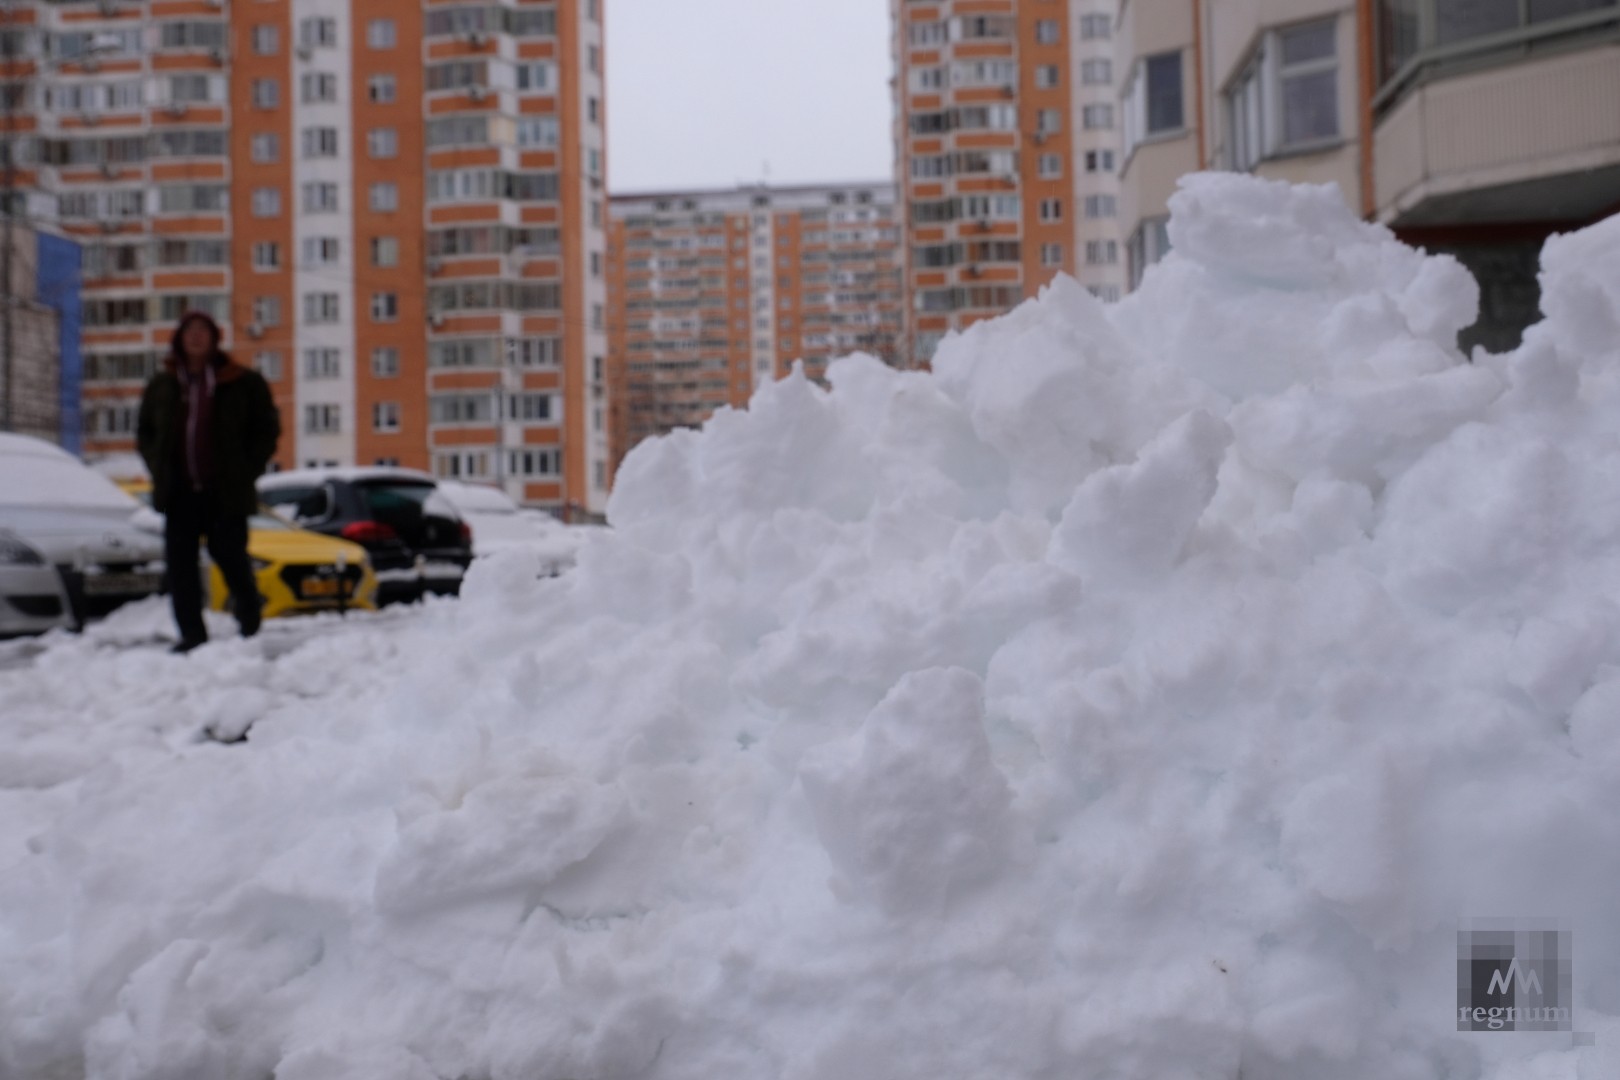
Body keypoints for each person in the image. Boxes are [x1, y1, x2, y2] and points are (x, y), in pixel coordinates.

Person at [136, 312, 281, 653]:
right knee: (181, 567)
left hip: (225, 492)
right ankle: (191, 634)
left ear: (215, 339)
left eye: (204, 331)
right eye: (190, 331)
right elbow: (145, 432)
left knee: (232, 558)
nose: (196, 337)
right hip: (179, 493)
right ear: (179, 339)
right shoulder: (164, 384)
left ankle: (249, 621)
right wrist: (158, 466)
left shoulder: (242, 382)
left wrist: (246, 469)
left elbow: (267, 430)